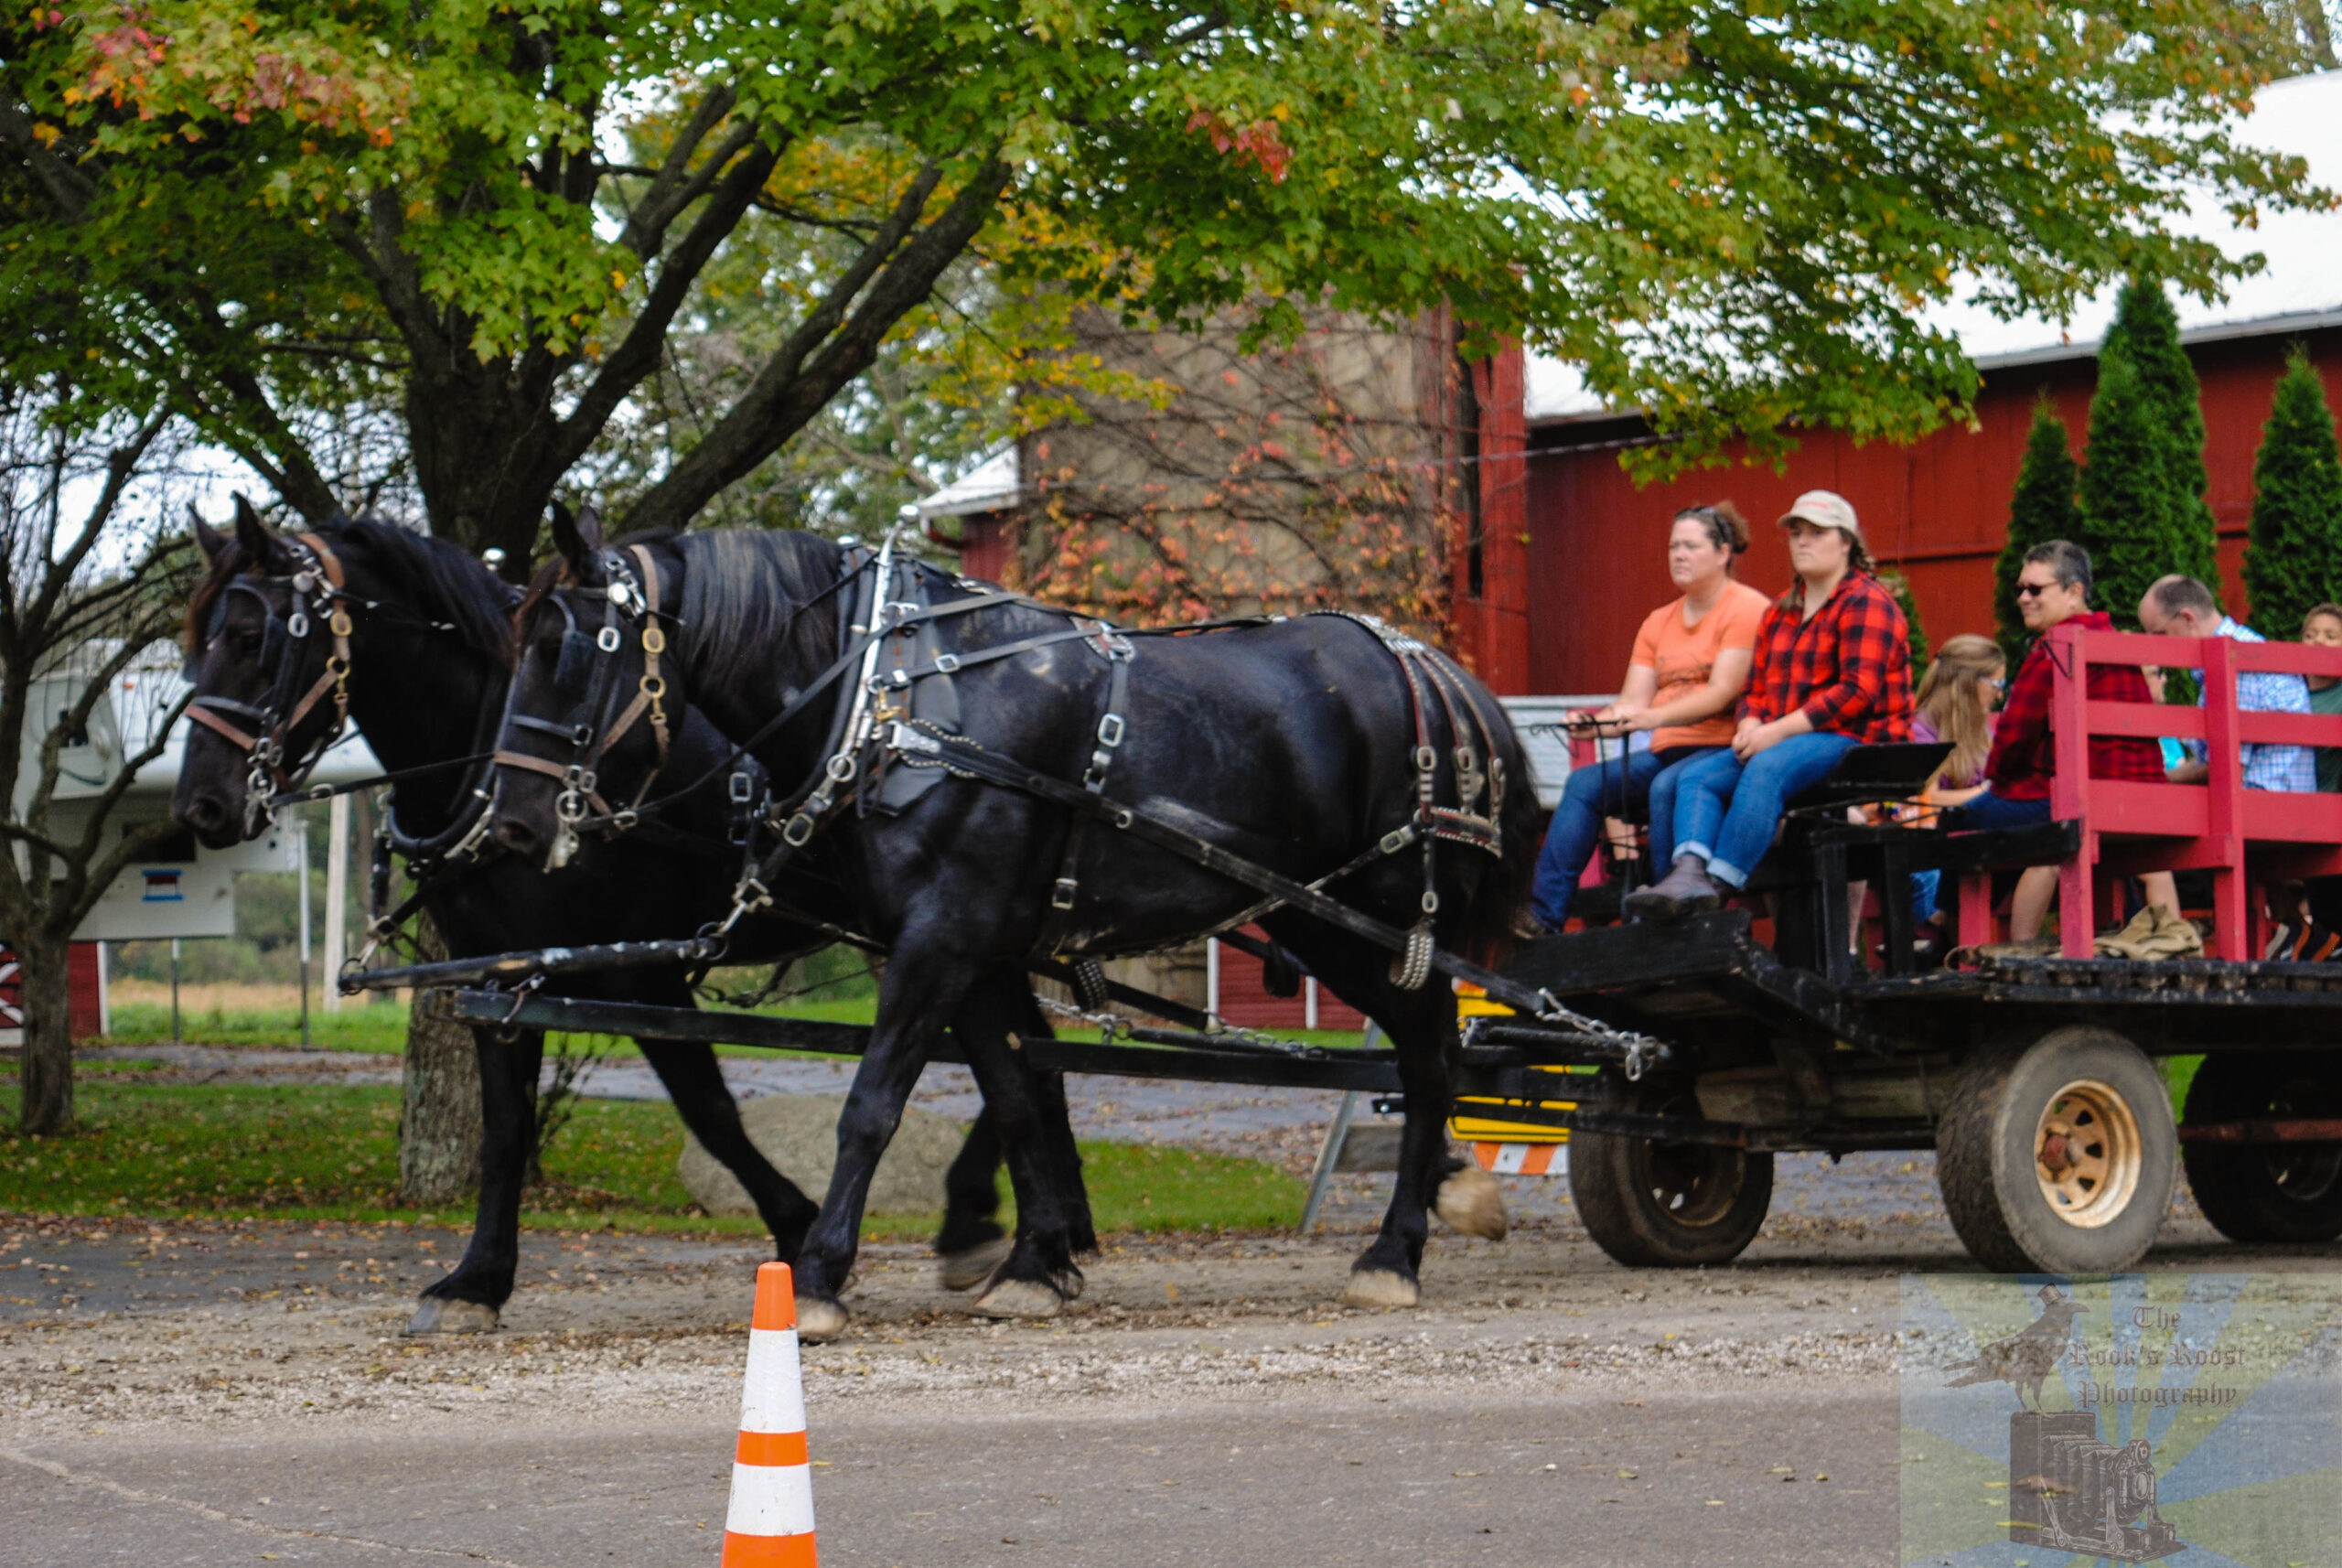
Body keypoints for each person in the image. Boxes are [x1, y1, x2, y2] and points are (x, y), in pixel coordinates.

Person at [1627, 489, 1913, 917]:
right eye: (1796, 533)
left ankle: (1718, 888)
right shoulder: (1780, 611)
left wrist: (1774, 731)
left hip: (1860, 740)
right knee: (1694, 778)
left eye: (1817, 533)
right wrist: (1749, 722)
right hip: (1786, 740)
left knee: (1767, 767)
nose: (1803, 541)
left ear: (1847, 542)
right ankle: (1686, 875)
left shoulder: (1867, 602)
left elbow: (1856, 692)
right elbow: (1755, 688)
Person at [1527, 503, 1772, 929]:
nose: (1678, 555)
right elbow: (1631, 703)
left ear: (1723, 553)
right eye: (1674, 546)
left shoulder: (1746, 608)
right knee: (1584, 784)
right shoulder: (1658, 621)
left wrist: (1651, 718)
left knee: (1666, 786)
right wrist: (1596, 724)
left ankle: (1665, 918)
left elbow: (1722, 692)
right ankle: (1542, 916)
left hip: (1723, 749)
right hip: (1667, 751)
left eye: (1691, 546)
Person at [1976, 540, 2175, 940]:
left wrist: (1997, 779)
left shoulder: (2057, 646)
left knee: (1965, 822)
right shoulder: (2117, 643)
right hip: (2143, 800)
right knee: (2048, 835)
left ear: (2074, 592)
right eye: (2020, 589)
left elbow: (2013, 737)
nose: (2024, 598)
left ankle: (1958, 932)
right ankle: (2174, 944)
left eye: (2035, 589)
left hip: (2077, 799)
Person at [2138, 575, 2315, 793]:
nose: (2155, 646)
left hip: (2264, 807)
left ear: (2187, 618)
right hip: (2272, 804)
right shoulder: (2241, 651)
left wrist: (2154, 780)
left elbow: (2227, 770)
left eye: (2159, 634)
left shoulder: (2237, 663)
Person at [1911, 634, 2007, 807]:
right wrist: (1989, 791)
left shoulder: (1980, 728)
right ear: (1966, 683)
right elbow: (1928, 801)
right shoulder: (1919, 732)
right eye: (1996, 684)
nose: (1999, 695)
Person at [2301, 603, 2342, 793]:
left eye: (2330, 637)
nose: (2318, 640)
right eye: (2310, 635)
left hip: (2328, 802)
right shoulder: (2286, 690)